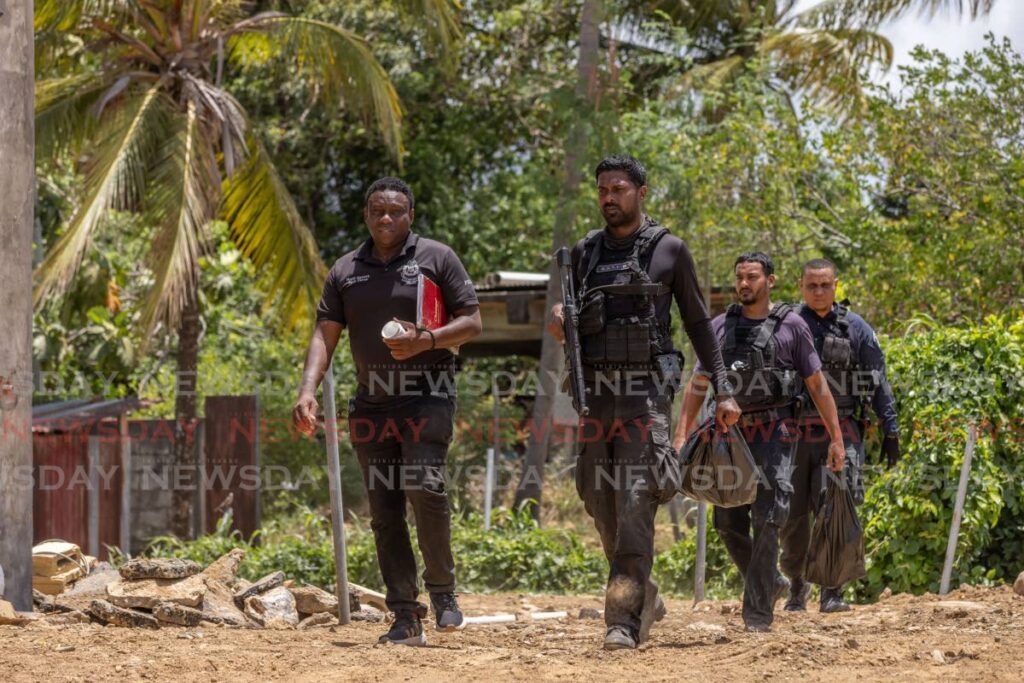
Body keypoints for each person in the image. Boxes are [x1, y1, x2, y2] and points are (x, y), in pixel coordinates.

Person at [547, 155, 742, 650]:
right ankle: (642, 591)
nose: (609, 197)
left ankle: (623, 620)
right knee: (597, 498)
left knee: (635, 500)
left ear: (641, 192)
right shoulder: (585, 253)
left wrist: (723, 387)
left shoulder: (669, 250)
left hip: (644, 394)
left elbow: (699, 323)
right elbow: (568, 322)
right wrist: (559, 317)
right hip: (594, 396)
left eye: (618, 189)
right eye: (603, 190)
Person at [293, 177, 482, 646]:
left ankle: (443, 593)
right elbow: (325, 333)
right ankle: (404, 613)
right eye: (377, 210)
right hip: (371, 403)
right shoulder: (345, 269)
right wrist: (307, 389)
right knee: (384, 509)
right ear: (366, 214)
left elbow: (472, 322)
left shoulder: (437, 258)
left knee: (424, 485)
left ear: (410, 216)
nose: (385, 219)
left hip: (428, 393)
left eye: (395, 211)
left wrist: (429, 340)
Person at [672, 251, 847, 632]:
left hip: (777, 432)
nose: (744, 284)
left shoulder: (792, 327)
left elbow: (818, 387)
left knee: (768, 518)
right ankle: (771, 582)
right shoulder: (719, 327)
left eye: (752, 277)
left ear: (770, 281)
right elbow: (698, 384)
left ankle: (757, 617)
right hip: (730, 435)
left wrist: (837, 438)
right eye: (739, 277)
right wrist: (682, 434)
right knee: (727, 522)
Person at [779, 258, 900, 613]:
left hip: (843, 432)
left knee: (838, 509)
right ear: (800, 286)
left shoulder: (857, 328)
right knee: (793, 517)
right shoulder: (786, 325)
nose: (819, 291)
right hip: (794, 435)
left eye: (825, 285)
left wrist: (890, 428)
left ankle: (833, 591)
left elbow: (878, 380)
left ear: (836, 286)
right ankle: (797, 588)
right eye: (812, 285)